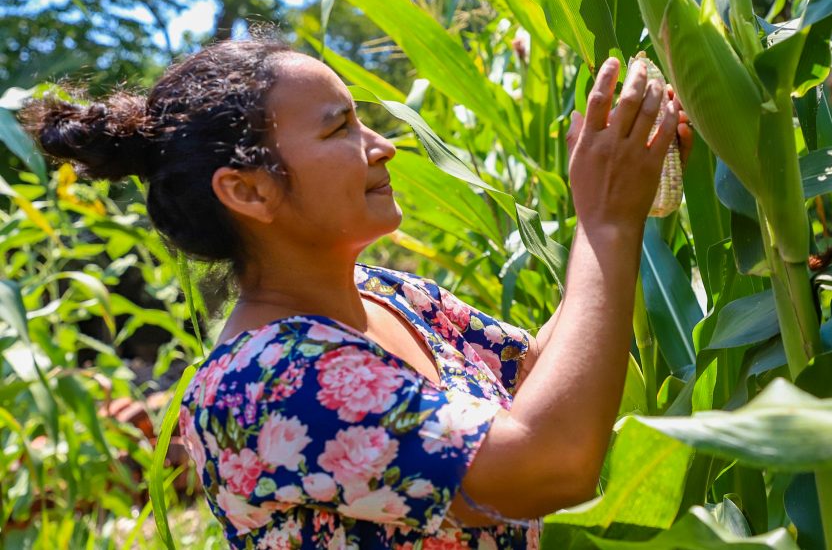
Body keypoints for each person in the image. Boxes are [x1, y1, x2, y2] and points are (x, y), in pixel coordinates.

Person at [22, 39, 693, 549]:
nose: (384, 146)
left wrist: (629, 194)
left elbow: (547, 379)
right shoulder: (263, 384)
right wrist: (607, 223)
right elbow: (547, 463)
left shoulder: (392, 298)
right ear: (248, 190)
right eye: (339, 128)